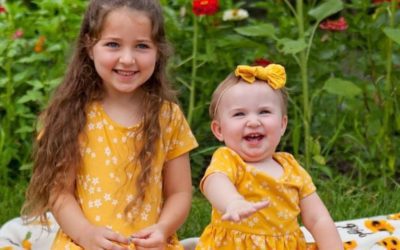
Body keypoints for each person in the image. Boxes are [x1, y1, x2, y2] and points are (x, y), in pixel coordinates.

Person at [21, 0, 198, 249]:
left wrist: (163, 229)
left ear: (158, 51)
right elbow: (60, 193)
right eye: (113, 44)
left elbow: (180, 192)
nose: (127, 59)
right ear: (90, 47)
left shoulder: (167, 116)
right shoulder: (71, 115)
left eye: (142, 46)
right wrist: (85, 235)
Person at [195, 64, 343, 249]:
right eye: (239, 114)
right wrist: (232, 202)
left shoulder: (292, 168)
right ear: (219, 130)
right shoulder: (229, 159)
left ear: (282, 124)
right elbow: (214, 182)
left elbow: (317, 218)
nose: (253, 121)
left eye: (264, 112)